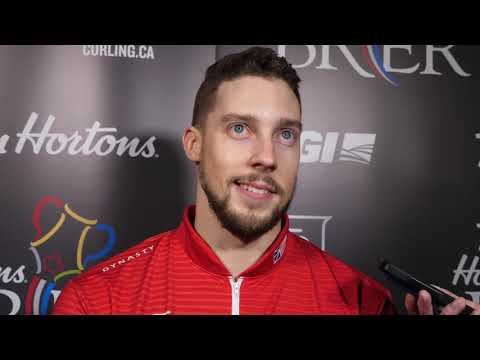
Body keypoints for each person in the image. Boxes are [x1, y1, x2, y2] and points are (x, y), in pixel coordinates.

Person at [52, 46, 480, 315]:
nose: (267, 157)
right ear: (194, 143)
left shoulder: (361, 302)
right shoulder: (98, 301)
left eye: (286, 134)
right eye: (240, 128)